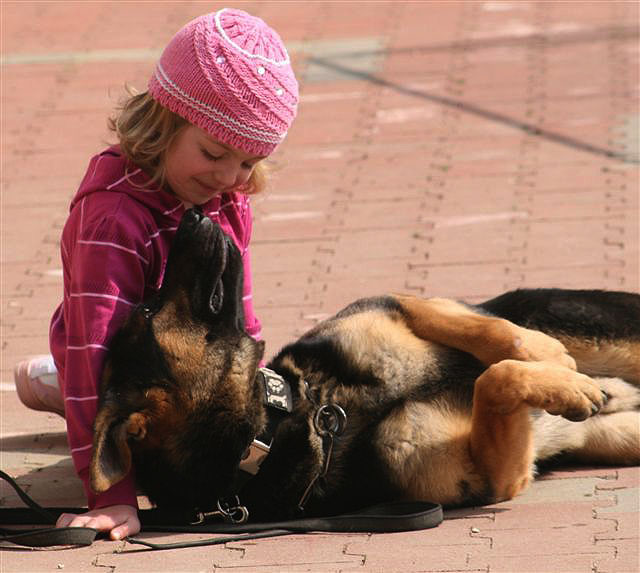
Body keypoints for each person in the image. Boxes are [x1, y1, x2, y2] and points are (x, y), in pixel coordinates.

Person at [13, 7, 298, 540]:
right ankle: (52, 382)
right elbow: (91, 360)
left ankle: (47, 384)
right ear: (163, 119)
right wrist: (110, 495)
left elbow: (243, 324)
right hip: (105, 360)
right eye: (213, 152)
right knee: (98, 400)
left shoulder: (227, 195)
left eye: (249, 162)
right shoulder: (112, 220)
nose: (228, 177)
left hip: (176, 366)